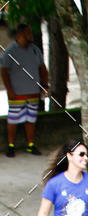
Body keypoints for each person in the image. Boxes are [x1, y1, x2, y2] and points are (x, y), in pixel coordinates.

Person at [1, 23, 49, 157]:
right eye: (28, 33)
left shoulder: (35, 50)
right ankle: (11, 146)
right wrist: (9, 90)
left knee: (31, 119)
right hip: (17, 93)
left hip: (33, 91)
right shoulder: (10, 51)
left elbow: (42, 68)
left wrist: (45, 85)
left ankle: (30, 145)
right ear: (21, 34)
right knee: (13, 120)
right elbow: (4, 72)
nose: (31, 36)